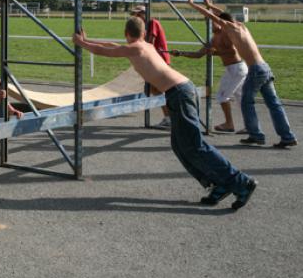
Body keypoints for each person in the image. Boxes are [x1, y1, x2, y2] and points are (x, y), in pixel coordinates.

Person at [73, 17, 257, 209]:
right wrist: (89, 40)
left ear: (126, 34)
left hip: (180, 93)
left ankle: (241, 182)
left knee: (195, 145)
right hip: (179, 92)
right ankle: (219, 183)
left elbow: (106, 51)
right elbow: (112, 46)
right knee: (179, 145)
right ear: (143, 33)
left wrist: (81, 43)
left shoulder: (136, 48)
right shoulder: (143, 46)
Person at [187, 0, 297, 148]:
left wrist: (192, 4)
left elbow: (214, 17)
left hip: (255, 69)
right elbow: (221, 14)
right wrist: (210, 4)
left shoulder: (230, 28)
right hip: (264, 67)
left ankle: (256, 135)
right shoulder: (241, 26)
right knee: (274, 104)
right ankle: (287, 137)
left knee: (246, 102)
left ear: (224, 22)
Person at [170, 2, 247, 133]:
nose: (210, 25)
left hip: (237, 68)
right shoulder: (213, 39)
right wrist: (180, 53)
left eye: (212, 22)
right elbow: (198, 55)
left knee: (222, 97)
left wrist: (215, 52)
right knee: (241, 98)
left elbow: (234, 52)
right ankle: (249, 126)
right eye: (208, 23)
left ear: (220, 22)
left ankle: (229, 124)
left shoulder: (226, 34)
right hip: (234, 69)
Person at [131, 5, 171, 128]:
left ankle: (169, 118)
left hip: (158, 60)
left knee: (158, 89)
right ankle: (169, 116)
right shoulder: (148, 24)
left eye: (139, 14)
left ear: (145, 13)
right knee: (155, 89)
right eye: (135, 15)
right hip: (156, 60)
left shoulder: (152, 22)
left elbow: (150, 43)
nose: (136, 17)